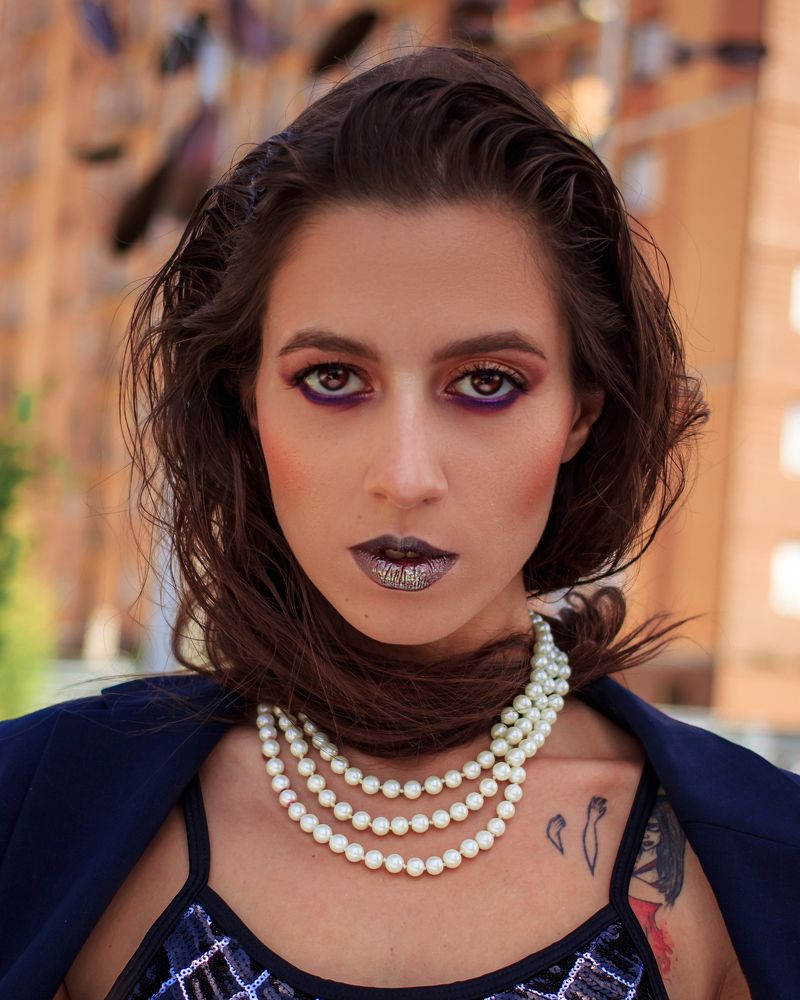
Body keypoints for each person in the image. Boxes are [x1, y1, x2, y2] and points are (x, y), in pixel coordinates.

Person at [0, 45, 797, 1000]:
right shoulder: (34, 811)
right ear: (247, 402)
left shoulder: (756, 866)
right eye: (333, 378)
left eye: (487, 382)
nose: (406, 477)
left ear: (581, 414)